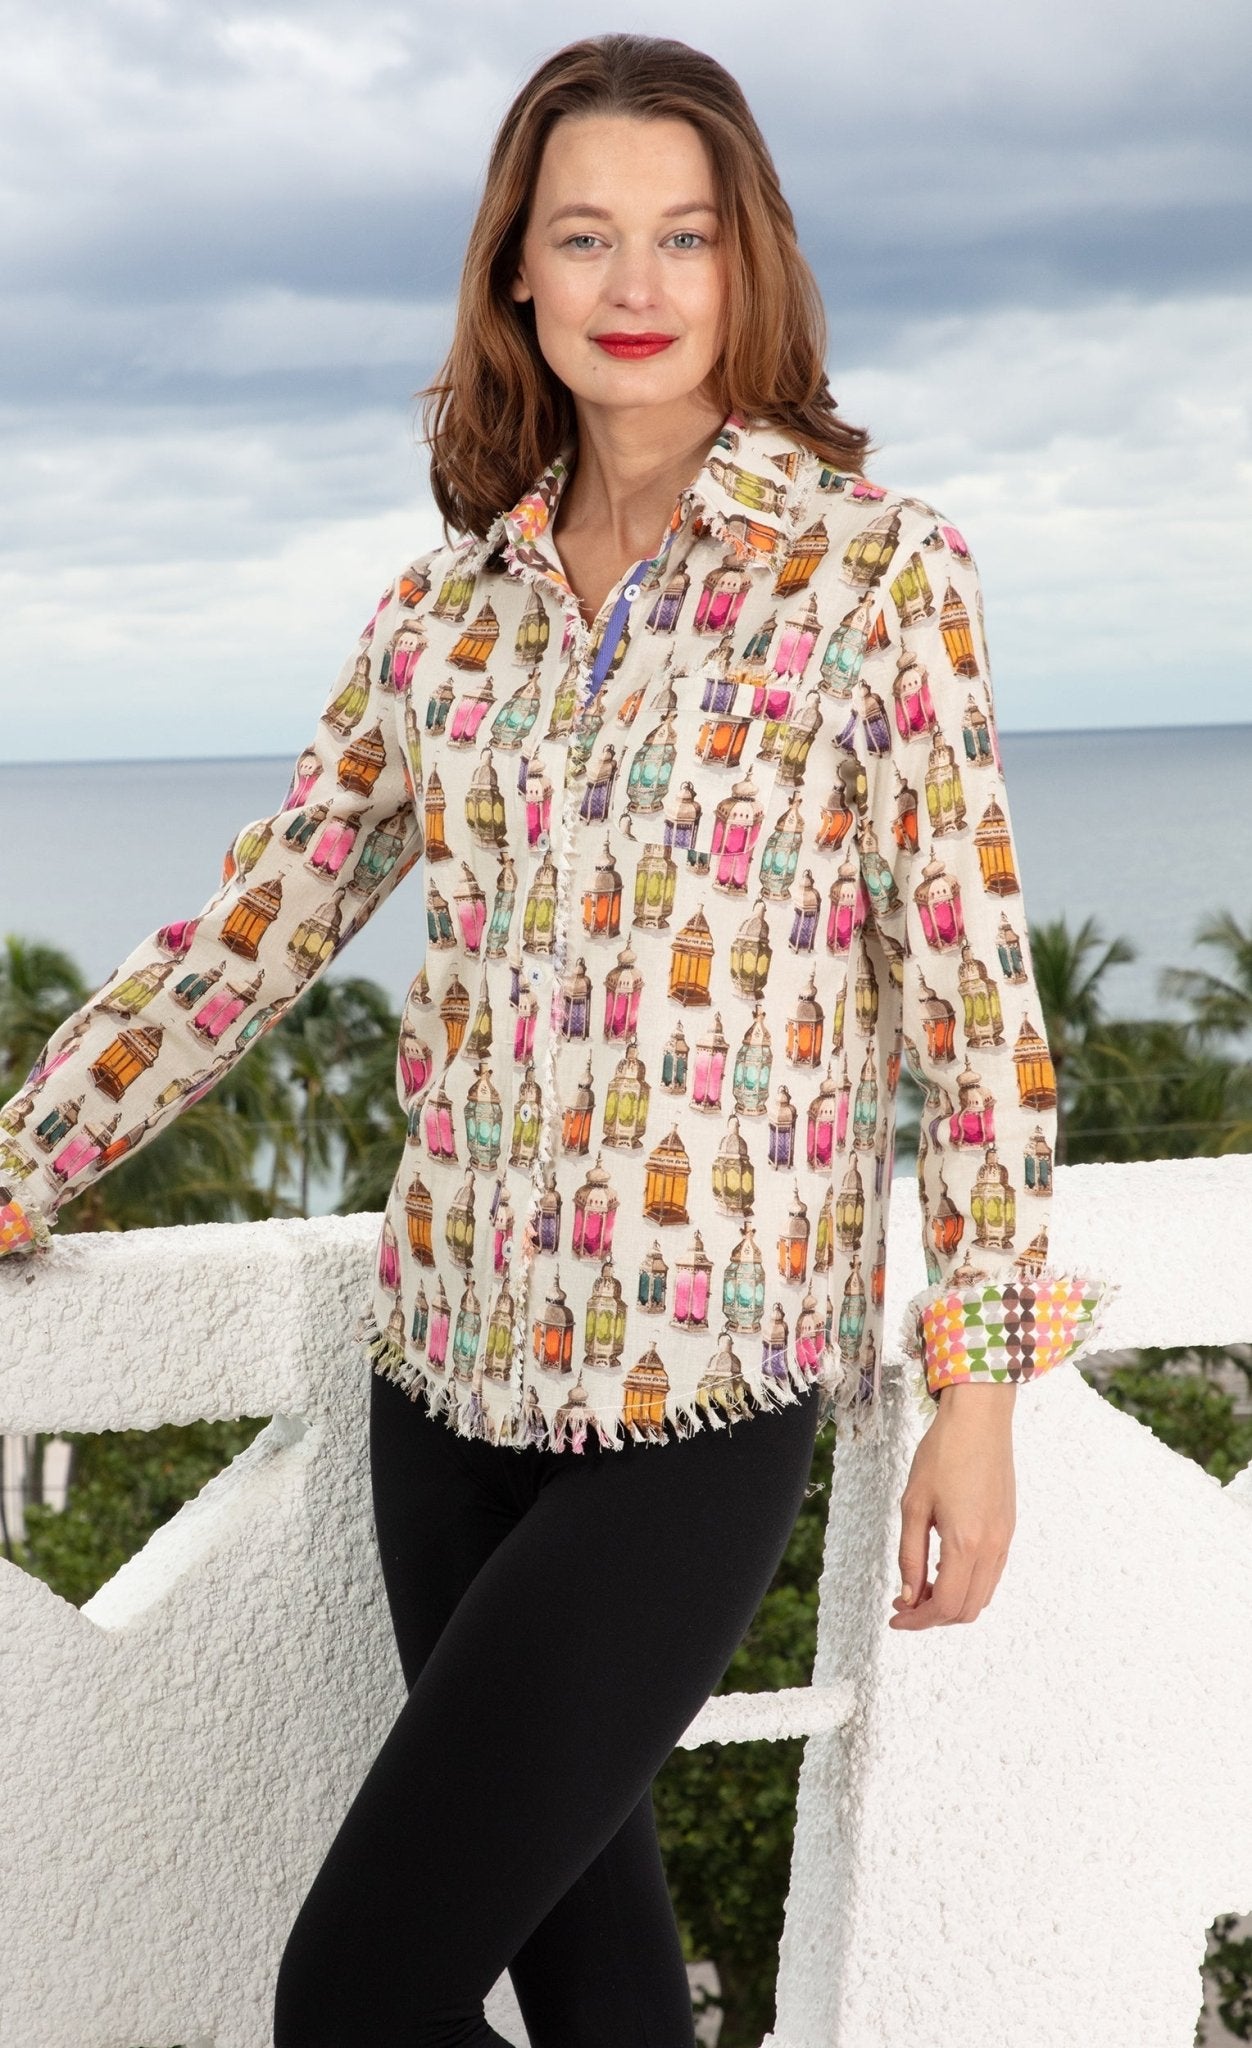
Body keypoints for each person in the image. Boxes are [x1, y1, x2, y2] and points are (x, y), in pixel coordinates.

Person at [0, 33, 1111, 2048]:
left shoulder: (875, 574)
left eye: (684, 235)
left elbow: (969, 996)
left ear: (748, 262)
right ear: (516, 269)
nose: (636, 282)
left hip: (695, 1405)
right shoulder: (445, 615)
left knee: (355, 1992)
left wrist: (979, 1390)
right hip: (442, 1380)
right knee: (599, 1996)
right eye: (585, 234)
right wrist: (25, 1155)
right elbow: (258, 928)